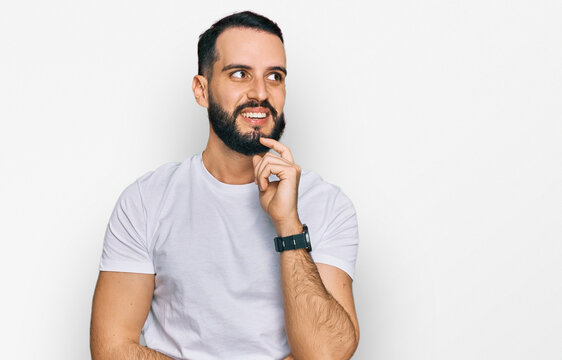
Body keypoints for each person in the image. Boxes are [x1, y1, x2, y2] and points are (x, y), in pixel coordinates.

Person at [90, 11, 359, 360]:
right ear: (202, 90)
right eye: (239, 74)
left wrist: (288, 225)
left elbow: (325, 354)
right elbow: (111, 348)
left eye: (274, 76)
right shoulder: (146, 200)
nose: (260, 93)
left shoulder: (328, 205)